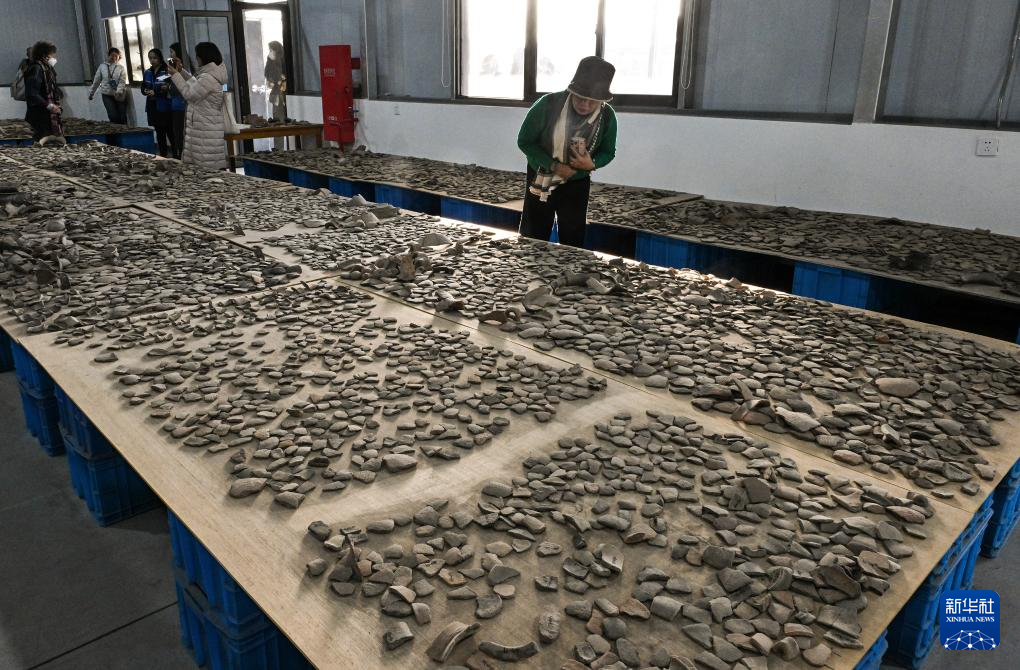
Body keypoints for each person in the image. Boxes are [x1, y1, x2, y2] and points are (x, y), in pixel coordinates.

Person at [516, 56, 618, 249]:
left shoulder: (607, 116)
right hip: (542, 176)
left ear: (601, 101)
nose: (585, 105)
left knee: (573, 236)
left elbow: (608, 151)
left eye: (592, 101)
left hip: (577, 182)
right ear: (572, 91)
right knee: (534, 235)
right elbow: (525, 141)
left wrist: (592, 164)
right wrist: (553, 165)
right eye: (580, 98)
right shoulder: (548, 104)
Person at [167, 41, 228, 170]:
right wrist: (181, 72)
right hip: (203, 128)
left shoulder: (208, 77)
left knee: (207, 170)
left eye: (197, 56)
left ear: (202, 57)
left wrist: (175, 75)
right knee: (203, 169)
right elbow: (196, 85)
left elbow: (190, 94)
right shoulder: (209, 75)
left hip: (205, 131)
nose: (196, 59)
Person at [23, 41, 63, 142]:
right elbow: (32, 93)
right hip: (39, 113)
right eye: (52, 55)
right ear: (45, 56)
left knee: (49, 138)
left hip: (46, 112)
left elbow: (52, 87)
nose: (54, 58)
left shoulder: (47, 68)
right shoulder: (36, 69)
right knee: (42, 138)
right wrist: (49, 105)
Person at [141, 49, 175, 157]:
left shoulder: (166, 71)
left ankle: (176, 155)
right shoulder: (147, 72)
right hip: (152, 106)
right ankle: (163, 155)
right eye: (150, 58)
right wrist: (145, 91)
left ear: (160, 58)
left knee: (170, 132)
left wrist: (156, 92)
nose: (152, 60)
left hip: (165, 106)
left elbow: (168, 87)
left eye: (155, 58)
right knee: (159, 133)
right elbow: (143, 87)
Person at [88, 47, 129, 124]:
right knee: (113, 116)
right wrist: (91, 93)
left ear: (119, 57)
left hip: (119, 95)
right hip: (107, 95)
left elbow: (122, 81)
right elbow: (96, 81)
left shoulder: (121, 68)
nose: (114, 57)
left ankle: (124, 130)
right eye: (112, 55)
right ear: (108, 55)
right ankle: (115, 130)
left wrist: (118, 91)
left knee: (122, 116)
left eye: (116, 56)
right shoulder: (102, 66)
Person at [167, 43, 188, 158]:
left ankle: (182, 156)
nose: (170, 54)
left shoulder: (184, 69)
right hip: (175, 106)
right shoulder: (174, 68)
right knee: (177, 134)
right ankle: (180, 155)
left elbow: (182, 88)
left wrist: (170, 87)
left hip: (182, 106)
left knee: (181, 134)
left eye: (172, 51)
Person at [263, 41, 287, 122]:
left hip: (280, 92)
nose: (269, 53)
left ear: (276, 50)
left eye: (271, 50)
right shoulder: (270, 61)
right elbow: (267, 74)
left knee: (279, 112)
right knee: (276, 112)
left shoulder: (281, 62)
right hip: (276, 92)